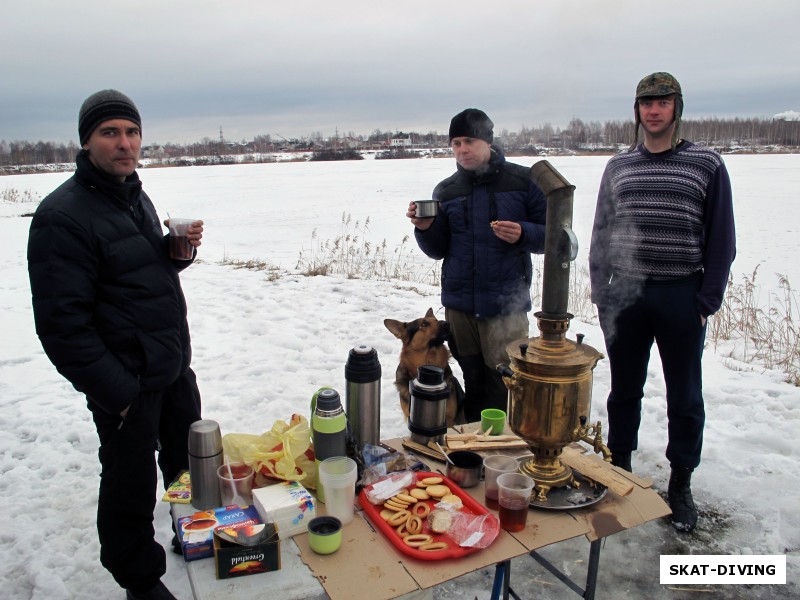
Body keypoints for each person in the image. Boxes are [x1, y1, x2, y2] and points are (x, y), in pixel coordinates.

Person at [27, 90, 204, 600]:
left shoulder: (133, 195)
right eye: (110, 133)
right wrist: (120, 394)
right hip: (126, 382)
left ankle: (186, 527)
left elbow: (138, 273)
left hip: (170, 367)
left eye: (131, 132)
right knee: (128, 484)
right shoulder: (62, 215)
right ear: (86, 141)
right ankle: (139, 579)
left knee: (185, 464)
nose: (124, 144)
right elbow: (63, 328)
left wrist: (178, 250)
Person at [589, 73, 736, 533]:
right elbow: (600, 232)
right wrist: (602, 292)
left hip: (680, 294)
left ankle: (681, 483)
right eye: (646, 103)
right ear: (637, 111)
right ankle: (621, 470)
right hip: (627, 293)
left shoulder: (706, 164)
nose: (654, 110)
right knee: (624, 393)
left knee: (685, 397)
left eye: (663, 102)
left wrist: (705, 300)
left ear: (677, 108)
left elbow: (722, 239)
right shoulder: (618, 167)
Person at [407, 108, 547, 423]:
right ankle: (472, 443)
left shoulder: (524, 181)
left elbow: (553, 236)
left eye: (469, 141)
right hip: (460, 306)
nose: (462, 150)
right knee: (472, 377)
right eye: (455, 143)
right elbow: (438, 249)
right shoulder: (447, 190)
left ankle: (501, 446)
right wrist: (425, 227)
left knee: (504, 380)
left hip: (505, 305)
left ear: (487, 141)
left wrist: (524, 233)